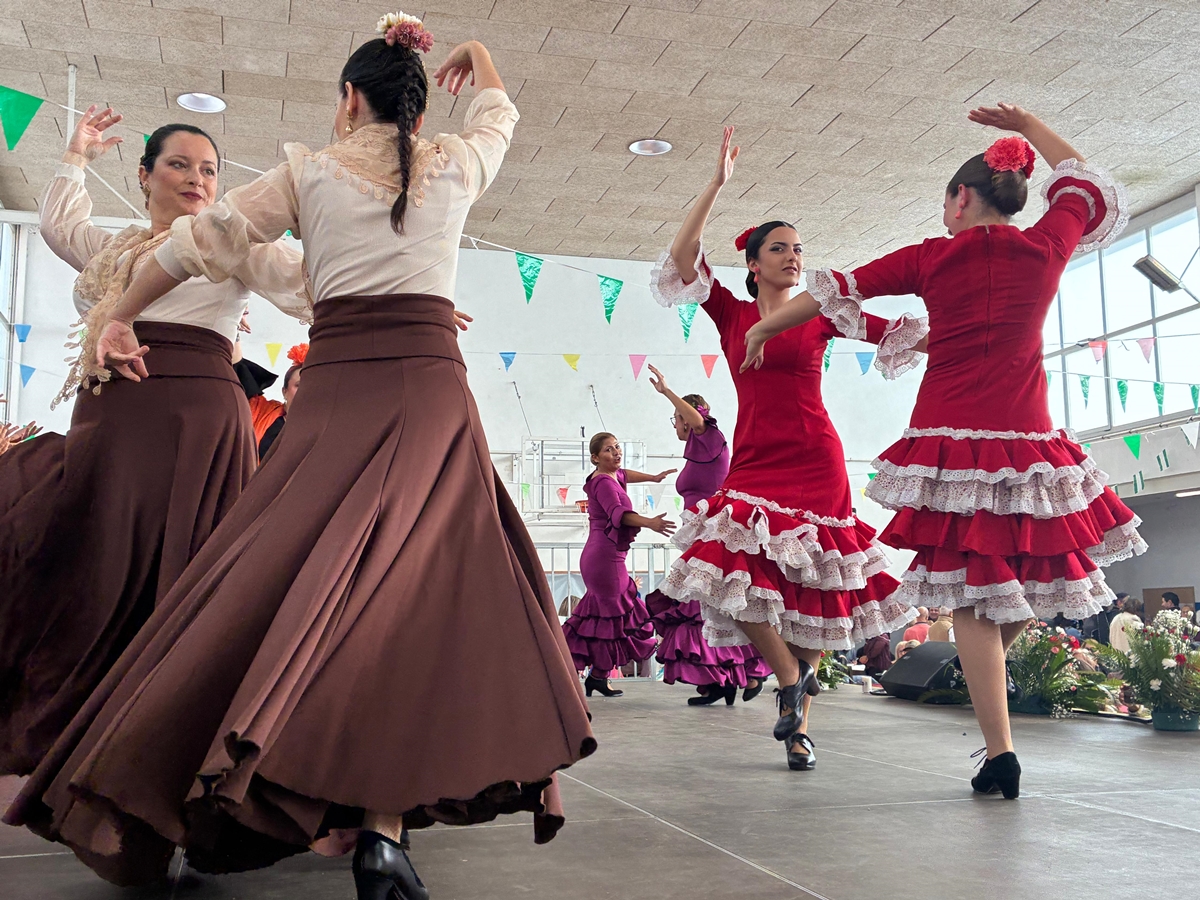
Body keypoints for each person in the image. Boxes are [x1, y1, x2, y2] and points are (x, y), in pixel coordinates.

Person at [8, 25, 595, 900]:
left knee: (283, 586)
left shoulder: (309, 173)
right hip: (432, 387)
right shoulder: (459, 163)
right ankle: (384, 829)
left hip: (341, 392)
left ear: (348, 101)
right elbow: (500, 113)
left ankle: (204, 766)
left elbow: (195, 243)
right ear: (421, 106)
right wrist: (477, 51)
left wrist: (122, 312)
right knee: (417, 592)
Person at [743, 102, 1145, 799]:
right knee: (1016, 589)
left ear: (962, 198)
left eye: (946, 200)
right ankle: (994, 735)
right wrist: (1031, 125)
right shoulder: (1048, 243)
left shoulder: (933, 257)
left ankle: (1001, 753)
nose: (944, 212)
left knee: (973, 602)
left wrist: (763, 328)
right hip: (1030, 440)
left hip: (953, 445)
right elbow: (1083, 182)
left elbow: (835, 289)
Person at [0, 112, 306, 777]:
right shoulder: (114, 250)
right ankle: (91, 732)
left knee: (190, 577)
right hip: (110, 416)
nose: (197, 179)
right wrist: (76, 156)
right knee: (93, 562)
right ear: (143, 175)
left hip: (195, 417)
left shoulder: (229, 241)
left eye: (209, 169)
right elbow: (60, 227)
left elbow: (303, 280)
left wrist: (398, 302)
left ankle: (181, 743)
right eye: (179, 165)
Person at [651, 126, 919, 772]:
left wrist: (972, 333)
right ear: (753, 263)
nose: (793, 257)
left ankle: (798, 722)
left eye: (799, 249)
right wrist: (715, 186)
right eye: (779, 249)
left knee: (818, 592)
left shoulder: (819, 312)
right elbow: (683, 256)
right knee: (729, 579)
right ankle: (791, 684)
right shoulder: (730, 312)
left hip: (817, 458)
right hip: (755, 461)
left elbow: (898, 334)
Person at [642, 366, 771, 706]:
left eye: (676, 418)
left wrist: (668, 392)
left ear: (688, 418)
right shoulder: (698, 449)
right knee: (705, 605)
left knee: (709, 603)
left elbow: (697, 419)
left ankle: (751, 670)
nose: (675, 424)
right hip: (700, 534)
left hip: (713, 533)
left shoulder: (708, 436)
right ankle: (721, 680)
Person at [562, 432, 677, 698]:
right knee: (619, 617)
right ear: (595, 458)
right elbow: (618, 513)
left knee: (604, 619)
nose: (616, 453)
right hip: (605, 558)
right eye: (608, 450)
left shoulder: (611, 476)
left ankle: (597, 677)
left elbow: (624, 474)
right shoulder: (603, 483)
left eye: (617, 448)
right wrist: (649, 522)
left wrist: (653, 477)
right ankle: (565, 662)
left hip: (605, 557)